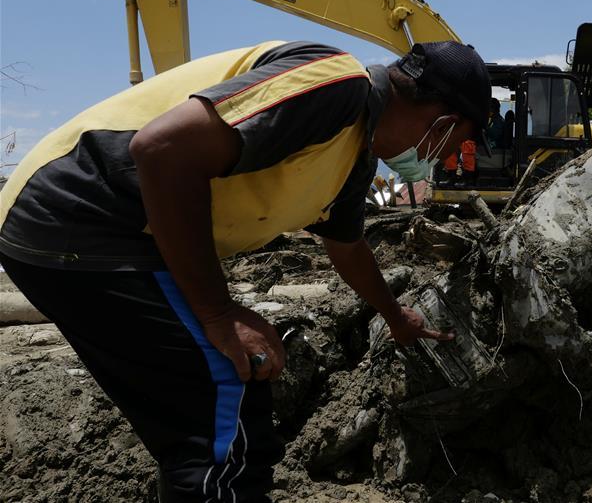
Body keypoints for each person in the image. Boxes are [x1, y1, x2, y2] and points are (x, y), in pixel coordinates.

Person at [0, 40, 491, 502]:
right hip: (80, 216)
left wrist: (393, 314)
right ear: (444, 123)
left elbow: (347, 246)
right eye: (453, 145)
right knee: (226, 402)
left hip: (99, 232)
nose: (442, 160)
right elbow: (162, 149)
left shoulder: (355, 154)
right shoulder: (337, 85)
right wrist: (217, 311)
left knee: (202, 417)